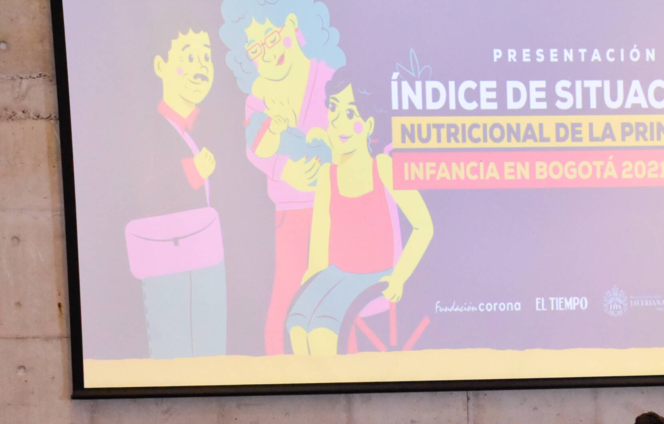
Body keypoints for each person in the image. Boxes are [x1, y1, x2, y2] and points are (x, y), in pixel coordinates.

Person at [219, 0, 344, 355]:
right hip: (289, 210)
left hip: (335, 206)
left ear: (291, 23)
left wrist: (328, 154)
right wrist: (285, 169)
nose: (268, 53)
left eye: (271, 39)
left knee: (335, 288)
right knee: (288, 288)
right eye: (256, 49)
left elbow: (349, 134)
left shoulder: (329, 75)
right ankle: (277, 364)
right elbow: (254, 149)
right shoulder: (258, 97)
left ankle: (344, 367)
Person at [285, 69, 434, 355]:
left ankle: (329, 383)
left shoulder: (383, 167)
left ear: (368, 125)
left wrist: (399, 277)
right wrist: (310, 284)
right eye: (333, 109)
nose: (338, 121)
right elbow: (319, 245)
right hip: (336, 273)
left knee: (320, 332)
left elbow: (423, 226)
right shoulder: (327, 176)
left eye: (350, 113)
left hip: (374, 276)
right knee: (298, 323)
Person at [125, 27, 226, 359]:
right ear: (161, 66)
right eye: (189, 57)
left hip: (204, 255)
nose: (201, 67)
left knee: (209, 348)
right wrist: (192, 171)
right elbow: (145, 193)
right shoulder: (150, 130)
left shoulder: (200, 128)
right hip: (167, 260)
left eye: (206, 57)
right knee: (173, 349)